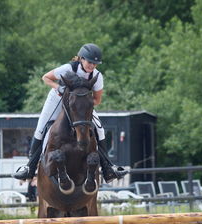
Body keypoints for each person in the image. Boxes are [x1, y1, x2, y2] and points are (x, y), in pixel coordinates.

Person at [13, 43, 125, 183]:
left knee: (100, 129)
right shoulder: (67, 69)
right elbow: (46, 78)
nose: (92, 66)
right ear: (81, 58)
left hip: (80, 105)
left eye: (95, 64)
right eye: (90, 62)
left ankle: (108, 168)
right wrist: (58, 87)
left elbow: (97, 100)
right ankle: (29, 167)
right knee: (41, 128)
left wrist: (81, 104)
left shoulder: (97, 76)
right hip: (58, 99)